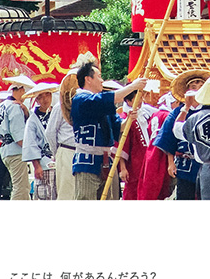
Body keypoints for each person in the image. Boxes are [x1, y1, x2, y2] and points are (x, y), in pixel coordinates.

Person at [70, 62, 146, 200]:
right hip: (87, 161)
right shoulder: (81, 100)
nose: (102, 80)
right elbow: (104, 100)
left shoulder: (100, 103)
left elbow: (117, 127)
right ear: (88, 79)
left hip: (105, 161)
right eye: (99, 76)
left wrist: (128, 120)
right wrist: (133, 86)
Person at [154, 70, 210, 200]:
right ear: (187, 90)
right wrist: (171, 163)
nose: (197, 90)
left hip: (207, 164)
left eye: (200, 87)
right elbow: (169, 138)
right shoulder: (176, 113)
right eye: (193, 87)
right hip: (185, 164)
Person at [0, 75, 35, 201]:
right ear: (19, 90)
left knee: (20, 185)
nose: (24, 94)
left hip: (5, 149)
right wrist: (30, 150)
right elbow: (18, 134)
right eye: (23, 90)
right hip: (15, 150)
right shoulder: (14, 106)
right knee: (21, 187)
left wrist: (25, 112)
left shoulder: (2, 105)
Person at [22, 82, 59, 200]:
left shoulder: (56, 113)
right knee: (45, 194)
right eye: (40, 97)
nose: (45, 99)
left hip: (59, 161)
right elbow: (30, 142)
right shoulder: (33, 119)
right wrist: (36, 165)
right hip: (43, 163)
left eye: (47, 95)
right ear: (36, 100)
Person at [45, 70, 79, 200]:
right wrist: (57, 152)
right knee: (66, 192)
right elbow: (50, 132)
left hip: (81, 151)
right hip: (66, 150)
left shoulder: (86, 103)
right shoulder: (60, 106)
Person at [118, 91, 157, 200]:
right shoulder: (124, 118)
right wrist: (123, 168)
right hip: (134, 163)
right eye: (137, 98)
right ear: (129, 101)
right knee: (132, 192)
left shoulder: (146, 113)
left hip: (147, 161)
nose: (140, 101)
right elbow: (121, 145)